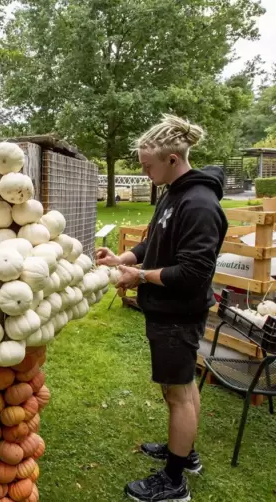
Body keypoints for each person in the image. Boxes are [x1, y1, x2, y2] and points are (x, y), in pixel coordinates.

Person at [96, 115, 227, 502]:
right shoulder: (172, 192)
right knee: (182, 387)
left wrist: (139, 278)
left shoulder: (200, 203)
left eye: (146, 164)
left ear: (172, 158)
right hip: (166, 311)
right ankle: (185, 455)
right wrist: (122, 258)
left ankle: (174, 482)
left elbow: (192, 271)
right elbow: (154, 242)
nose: (142, 170)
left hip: (179, 313)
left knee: (178, 394)